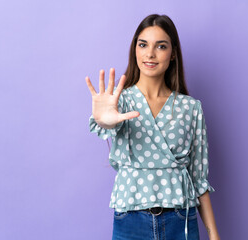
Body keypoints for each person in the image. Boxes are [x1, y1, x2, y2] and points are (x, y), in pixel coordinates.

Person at [85, 14, 220, 240]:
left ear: (173, 53)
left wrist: (214, 235)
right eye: (143, 44)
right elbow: (104, 124)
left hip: (180, 220)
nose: (150, 53)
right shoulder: (121, 102)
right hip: (130, 220)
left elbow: (199, 179)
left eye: (161, 46)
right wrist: (103, 120)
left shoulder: (190, 108)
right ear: (135, 49)